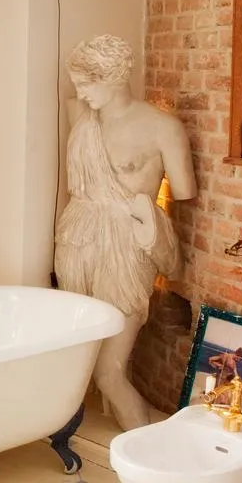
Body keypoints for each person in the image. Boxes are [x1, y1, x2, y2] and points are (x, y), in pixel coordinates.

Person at [54, 35, 196, 432]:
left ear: (114, 78)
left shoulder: (163, 127)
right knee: (75, 346)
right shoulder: (81, 116)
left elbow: (183, 191)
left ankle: (151, 455)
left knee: (110, 371)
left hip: (124, 244)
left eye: (85, 82)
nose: (78, 92)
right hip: (77, 238)